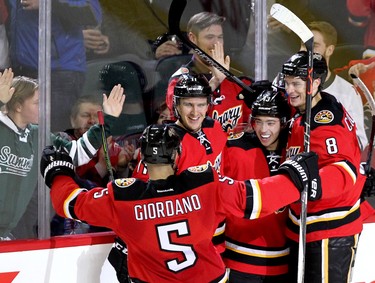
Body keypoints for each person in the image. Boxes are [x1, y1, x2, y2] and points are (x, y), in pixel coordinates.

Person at [40, 123, 322, 283]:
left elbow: (71, 203)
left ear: (142, 157)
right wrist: (294, 177)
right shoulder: (205, 186)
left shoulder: (123, 198)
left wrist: (59, 172)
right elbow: (256, 198)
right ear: (176, 157)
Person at [0, 70, 125, 240]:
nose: (43, 107)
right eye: (37, 102)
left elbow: (78, 153)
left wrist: (108, 119)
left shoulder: (38, 134)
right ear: (18, 106)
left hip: (7, 233)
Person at [281, 50, 365, 282]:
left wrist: (314, 183)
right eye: (287, 83)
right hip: (307, 226)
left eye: (296, 84)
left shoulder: (325, 123)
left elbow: (343, 169)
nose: (289, 90)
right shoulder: (312, 105)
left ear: (316, 82)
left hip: (330, 230)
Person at [221, 88, 291, 282]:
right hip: (239, 257)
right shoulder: (234, 148)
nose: (263, 130)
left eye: (270, 123)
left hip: (283, 259)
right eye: (258, 122)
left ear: (283, 123)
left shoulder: (295, 148)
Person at [7, 0, 102, 131]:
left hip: (59, 74)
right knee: (24, 138)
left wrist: (47, 3)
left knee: (55, 140)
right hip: (22, 70)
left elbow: (92, 13)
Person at [51, 95, 135, 235]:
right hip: (67, 219)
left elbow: (121, 194)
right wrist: (102, 165)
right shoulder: (62, 141)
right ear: (73, 120)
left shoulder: (111, 146)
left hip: (103, 223)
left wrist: (122, 167)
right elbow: (73, 181)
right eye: (85, 115)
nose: (91, 121)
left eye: (97, 115)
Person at [165, 12, 254, 135]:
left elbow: (251, 125)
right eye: (209, 37)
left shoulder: (238, 80)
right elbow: (180, 127)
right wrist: (215, 82)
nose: (216, 43)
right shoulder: (179, 81)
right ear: (192, 38)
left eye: (220, 37)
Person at [300, 21, 368, 150]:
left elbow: (359, 143)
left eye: (314, 46)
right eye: (304, 45)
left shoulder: (348, 93)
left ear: (329, 50)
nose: (306, 51)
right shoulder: (286, 85)